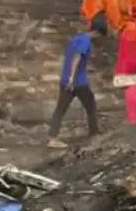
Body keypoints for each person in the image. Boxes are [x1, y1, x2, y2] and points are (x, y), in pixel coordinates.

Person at [46, 14, 109, 147]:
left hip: (65, 80)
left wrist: (68, 78)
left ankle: (52, 138)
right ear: (97, 32)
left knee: (60, 109)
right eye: (99, 35)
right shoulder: (86, 41)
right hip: (78, 82)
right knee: (90, 106)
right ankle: (94, 135)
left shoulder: (76, 38)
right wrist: (72, 78)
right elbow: (77, 58)